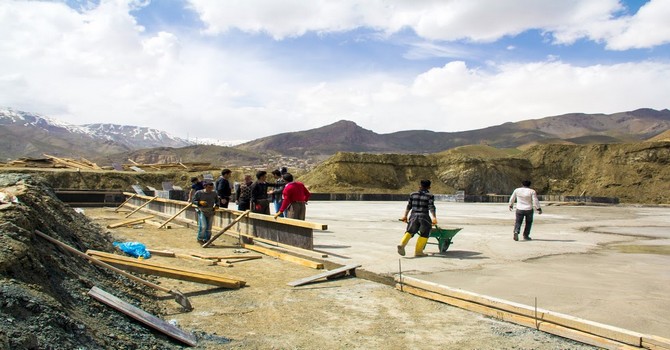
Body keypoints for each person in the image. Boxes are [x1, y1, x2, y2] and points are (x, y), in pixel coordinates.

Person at [397, 179, 437, 257]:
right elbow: (431, 207)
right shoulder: (430, 196)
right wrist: (434, 217)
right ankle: (418, 252)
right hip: (424, 216)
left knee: (410, 231)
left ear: (420, 186)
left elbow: (409, 206)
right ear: (429, 187)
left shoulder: (413, 194)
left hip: (413, 215)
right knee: (425, 233)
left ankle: (402, 245)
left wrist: (405, 216)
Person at [192, 180, 218, 244]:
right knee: (203, 226)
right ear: (205, 187)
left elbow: (217, 200)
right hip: (202, 211)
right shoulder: (199, 193)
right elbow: (193, 201)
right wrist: (199, 202)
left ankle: (207, 239)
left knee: (209, 227)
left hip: (211, 211)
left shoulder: (214, 193)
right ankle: (200, 238)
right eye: (209, 187)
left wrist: (217, 205)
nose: (210, 189)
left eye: (211, 188)